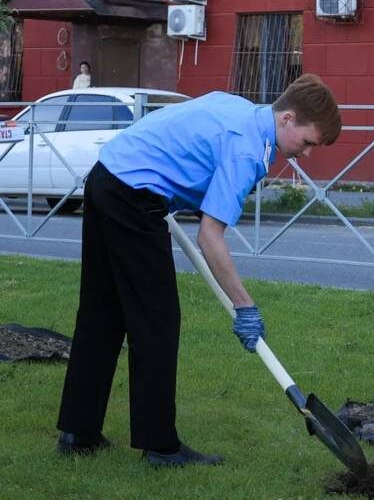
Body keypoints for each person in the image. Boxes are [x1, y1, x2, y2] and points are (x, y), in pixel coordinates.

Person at [55, 74, 341, 467]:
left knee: (102, 315)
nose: (306, 154)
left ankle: (78, 432)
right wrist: (245, 306)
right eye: (308, 142)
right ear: (288, 118)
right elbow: (211, 236)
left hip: (107, 178)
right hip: (134, 195)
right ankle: (160, 447)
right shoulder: (247, 150)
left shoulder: (241, 109)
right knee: (157, 322)